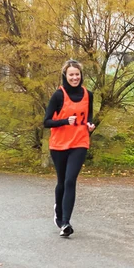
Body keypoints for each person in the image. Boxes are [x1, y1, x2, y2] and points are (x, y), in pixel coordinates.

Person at [43, 60, 95, 237]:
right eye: (71, 74)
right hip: (59, 145)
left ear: (81, 75)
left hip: (80, 143)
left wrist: (90, 124)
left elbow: (89, 116)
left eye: (77, 74)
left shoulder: (89, 94)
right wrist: (65, 121)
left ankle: (66, 222)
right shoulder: (58, 95)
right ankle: (58, 213)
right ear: (65, 75)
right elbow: (46, 122)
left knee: (70, 180)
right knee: (62, 181)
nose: (75, 77)